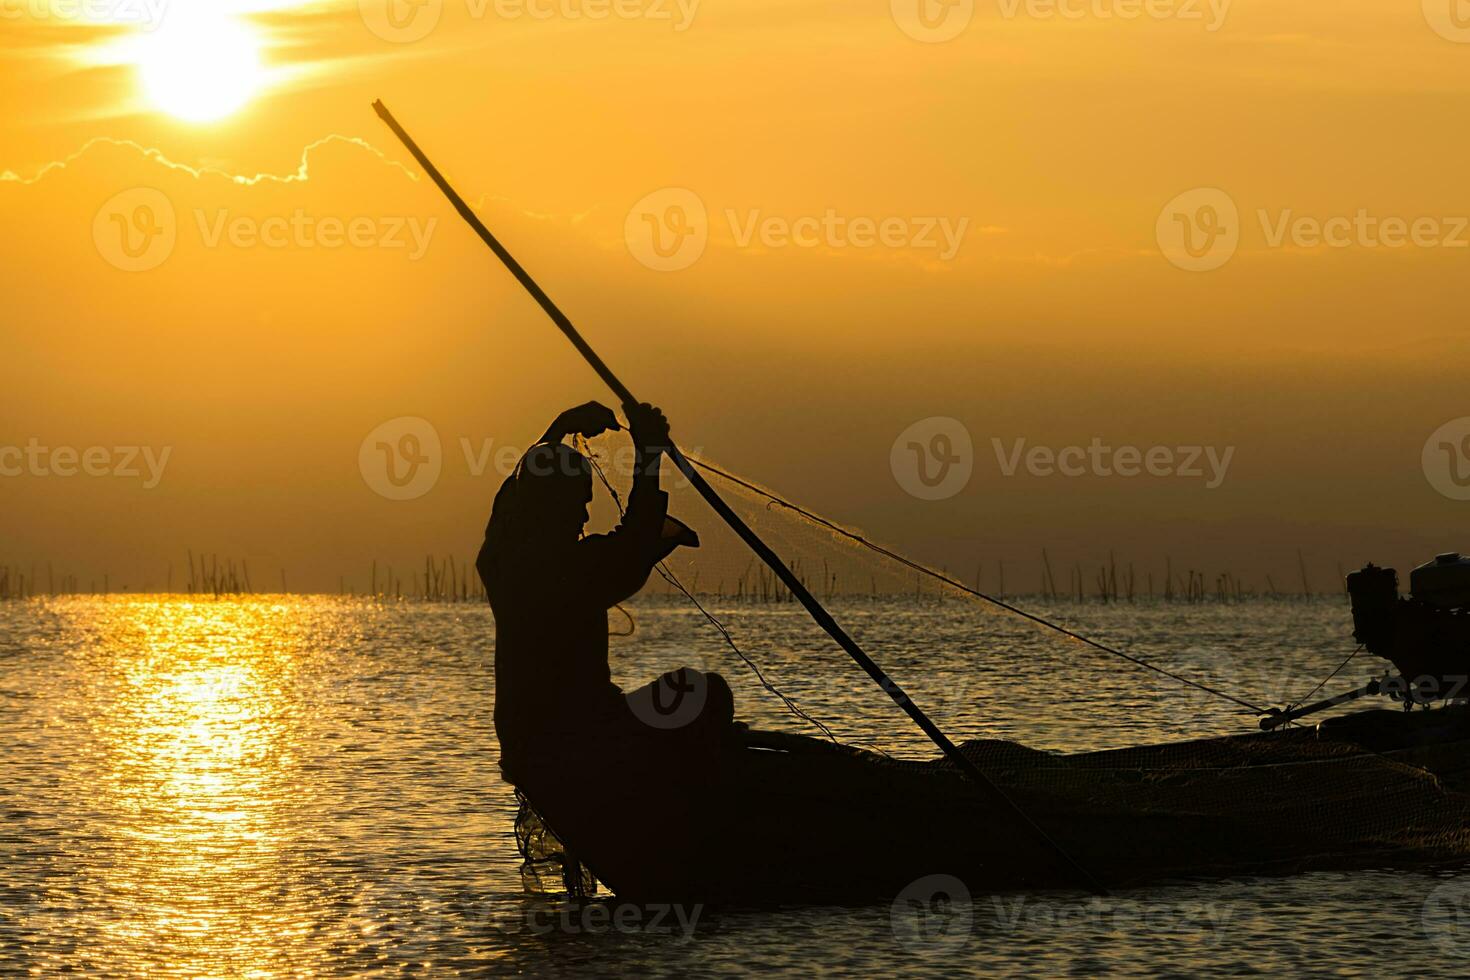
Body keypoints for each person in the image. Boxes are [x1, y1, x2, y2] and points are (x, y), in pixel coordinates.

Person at [476, 400, 735, 785]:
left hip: (524, 752)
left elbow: (511, 500)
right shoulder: (574, 571)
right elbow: (636, 537)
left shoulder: (502, 565)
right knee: (705, 692)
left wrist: (560, 426)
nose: (584, 517)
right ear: (552, 509)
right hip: (585, 742)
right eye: (580, 504)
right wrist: (647, 453)